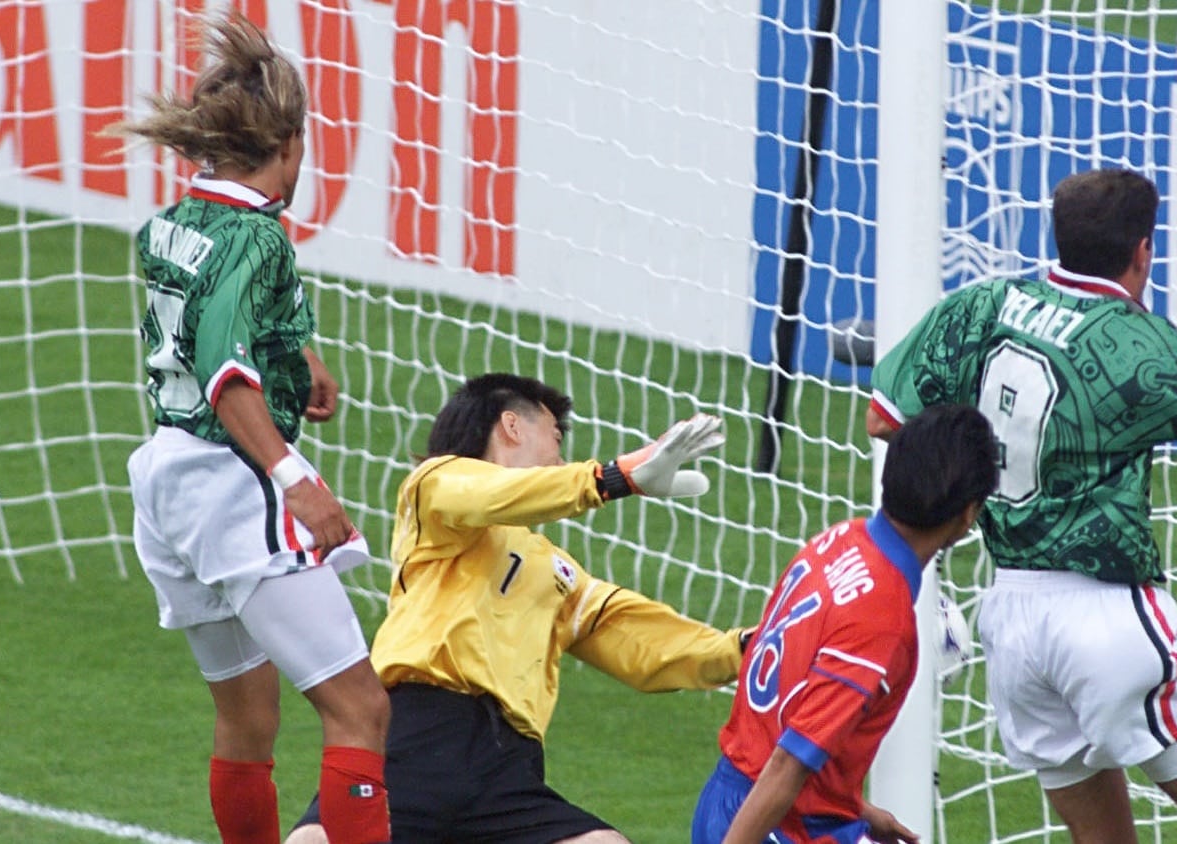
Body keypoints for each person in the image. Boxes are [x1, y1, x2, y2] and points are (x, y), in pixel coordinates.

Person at [865, 168, 1177, 843]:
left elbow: (886, 419)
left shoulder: (982, 305)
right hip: (1109, 618)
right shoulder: (1140, 347)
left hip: (1012, 624)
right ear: (1143, 250)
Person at [111, 12, 391, 844]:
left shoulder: (172, 222)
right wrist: (297, 481)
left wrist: (298, 355)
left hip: (165, 479)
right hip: (234, 483)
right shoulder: (256, 239)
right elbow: (226, 375)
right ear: (291, 143)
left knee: (247, 720)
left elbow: (216, 309)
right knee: (360, 710)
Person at [286, 373, 753, 844]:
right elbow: (491, 494)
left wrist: (754, 648)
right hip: (414, 738)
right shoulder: (434, 488)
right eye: (555, 436)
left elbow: (641, 638)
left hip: (507, 769)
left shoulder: (560, 574)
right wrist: (615, 477)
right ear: (512, 426)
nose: (561, 456)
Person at [692, 403, 1001, 844]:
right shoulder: (882, 620)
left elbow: (788, 710)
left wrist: (855, 807)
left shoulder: (838, 540)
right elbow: (788, 763)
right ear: (968, 515)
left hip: (734, 798)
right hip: (774, 827)